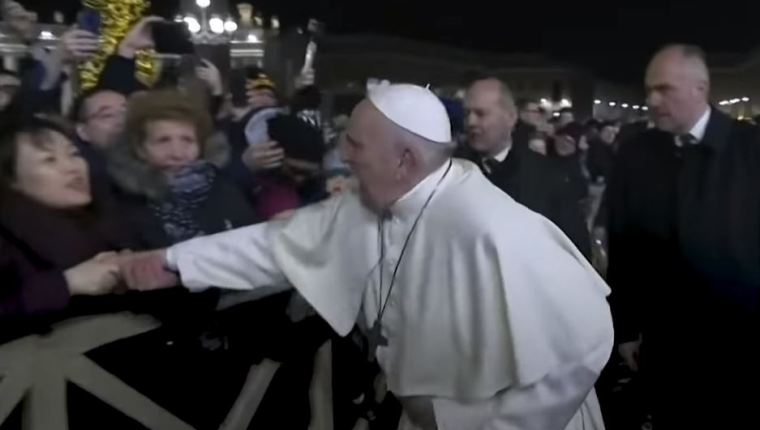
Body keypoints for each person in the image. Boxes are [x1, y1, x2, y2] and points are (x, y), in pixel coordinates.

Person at [121, 84, 613, 430]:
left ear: (406, 160)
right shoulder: (373, 200)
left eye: (355, 144)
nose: (345, 154)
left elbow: (585, 338)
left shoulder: (491, 226)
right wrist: (174, 260)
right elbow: (275, 244)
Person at [606, 44, 760, 429]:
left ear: (700, 88)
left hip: (741, 341)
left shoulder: (750, 150)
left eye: (664, 89)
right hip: (666, 343)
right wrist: (624, 328)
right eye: (648, 90)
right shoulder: (634, 154)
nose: (652, 100)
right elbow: (623, 245)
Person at [462, 78, 588, 253]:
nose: (471, 122)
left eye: (480, 113)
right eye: (466, 113)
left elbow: (576, 249)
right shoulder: (451, 170)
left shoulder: (550, 177)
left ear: (511, 118)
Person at [548, 123, 592, 259]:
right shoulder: (548, 164)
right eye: (562, 139)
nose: (564, 144)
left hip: (572, 226)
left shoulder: (578, 164)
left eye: (569, 141)